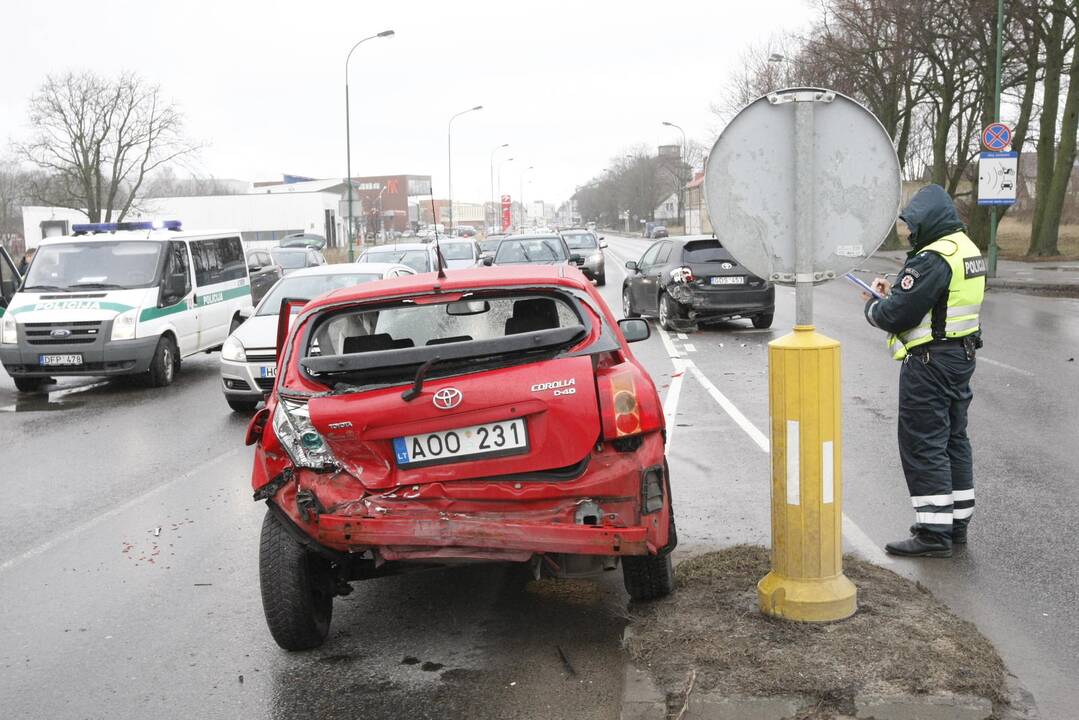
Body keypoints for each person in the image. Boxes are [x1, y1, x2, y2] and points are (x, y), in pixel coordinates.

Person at [863, 184, 985, 558]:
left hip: (930, 364)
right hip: (960, 357)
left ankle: (933, 534)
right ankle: (955, 522)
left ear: (929, 222)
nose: (910, 233)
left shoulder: (933, 257)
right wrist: (898, 286)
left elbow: (896, 314)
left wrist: (873, 303)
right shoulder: (967, 250)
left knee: (924, 443)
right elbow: (939, 299)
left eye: (913, 226)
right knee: (953, 440)